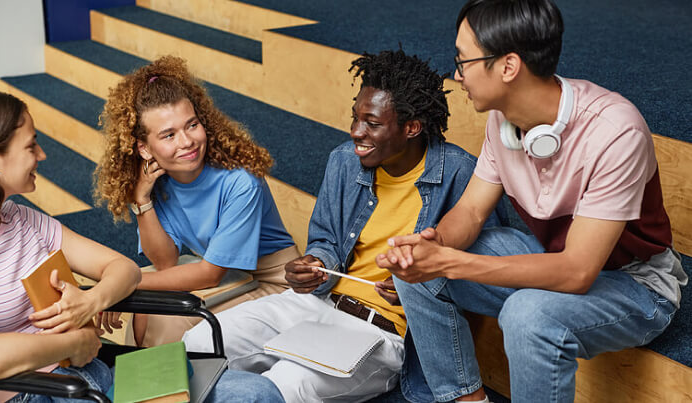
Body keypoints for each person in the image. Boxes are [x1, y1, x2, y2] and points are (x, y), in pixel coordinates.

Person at [379, 1, 688, 402]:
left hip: (636, 285)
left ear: (508, 67)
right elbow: (471, 212)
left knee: (527, 316)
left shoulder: (615, 132)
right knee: (422, 268)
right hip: (551, 255)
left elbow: (577, 272)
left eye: (464, 60)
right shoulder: (504, 120)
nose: (456, 74)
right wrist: (431, 248)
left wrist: (452, 263)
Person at [184, 49, 496, 403]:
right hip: (319, 303)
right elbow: (327, 242)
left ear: (411, 127)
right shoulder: (344, 161)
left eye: (373, 124)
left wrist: (421, 284)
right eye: (355, 118)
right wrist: (316, 264)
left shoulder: (460, 174)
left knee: (287, 382)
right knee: (197, 343)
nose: (356, 132)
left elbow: (481, 274)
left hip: (382, 333)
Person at [0, 90, 140, 402]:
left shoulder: (24, 221)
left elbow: (124, 268)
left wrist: (92, 302)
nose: (42, 155)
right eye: (31, 145)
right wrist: (75, 342)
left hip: (80, 376)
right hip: (24, 394)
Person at [94, 56, 300, 347]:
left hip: (274, 283)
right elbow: (165, 261)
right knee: (146, 306)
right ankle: (148, 384)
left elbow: (210, 274)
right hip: (233, 276)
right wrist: (142, 200)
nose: (186, 141)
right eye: (168, 135)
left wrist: (118, 287)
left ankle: (161, 388)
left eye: (191, 125)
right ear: (143, 148)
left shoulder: (240, 181)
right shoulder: (160, 182)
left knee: (165, 315)